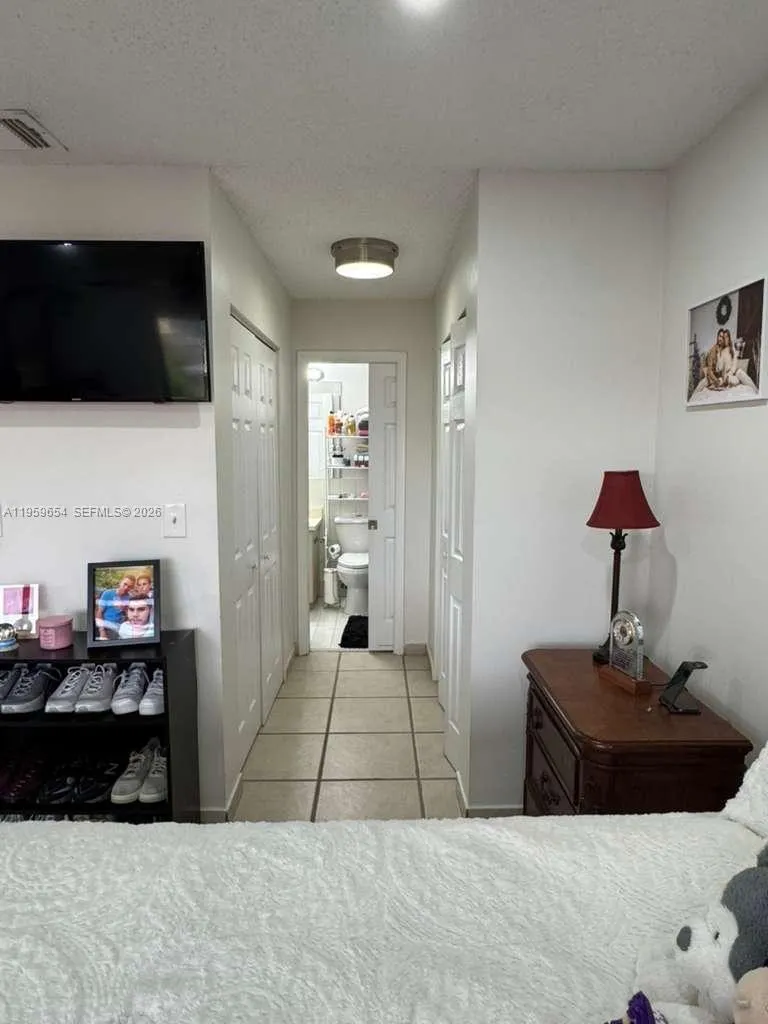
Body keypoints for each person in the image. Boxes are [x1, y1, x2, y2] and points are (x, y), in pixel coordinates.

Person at [96, 574, 135, 640]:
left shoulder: (130, 597)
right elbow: (99, 613)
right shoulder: (107, 593)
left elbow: (129, 616)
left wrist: (124, 610)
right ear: (120, 582)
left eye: (129, 586)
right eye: (125, 584)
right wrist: (102, 631)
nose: (126, 588)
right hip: (107, 626)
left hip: (121, 627)